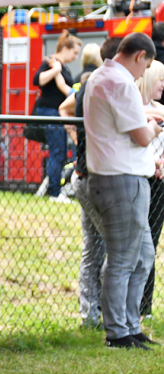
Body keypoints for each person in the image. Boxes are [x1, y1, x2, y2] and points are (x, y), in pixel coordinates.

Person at [85, 32, 162, 350]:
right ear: (140, 56)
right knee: (123, 259)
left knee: (142, 255)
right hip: (122, 179)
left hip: (117, 178)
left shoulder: (100, 78)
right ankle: (118, 332)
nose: (143, 74)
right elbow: (142, 137)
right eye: (146, 67)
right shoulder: (119, 83)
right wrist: (155, 127)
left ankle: (130, 325)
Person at [59, 37, 122, 329]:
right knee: (114, 247)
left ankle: (91, 314)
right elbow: (64, 108)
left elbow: (65, 108)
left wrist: (77, 139)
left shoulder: (88, 86)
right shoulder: (101, 85)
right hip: (92, 177)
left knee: (93, 249)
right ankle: (108, 315)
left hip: (83, 175)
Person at [34, 30, 81, 200]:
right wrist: (56, 70)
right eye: (75, 52)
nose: (76, 57)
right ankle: (54, 193)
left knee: (59, 151)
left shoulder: (61, 65)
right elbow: (37, 80)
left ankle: (55, 190)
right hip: (50, 112)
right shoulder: (51, 62)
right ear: (66, 48)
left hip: (56, 113)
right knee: (58, 151)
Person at [136, 60, 164, 320]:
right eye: (160, 80)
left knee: (151, 245)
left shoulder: (162, 110)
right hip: (139, 178)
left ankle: (145, 307)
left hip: (159, 184)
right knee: (134, 243)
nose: (163, 85)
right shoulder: (133, 107)